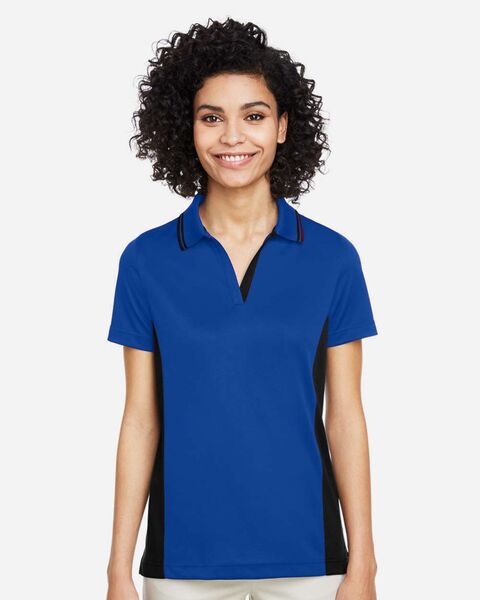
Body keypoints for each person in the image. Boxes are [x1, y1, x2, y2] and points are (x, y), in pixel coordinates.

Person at [106, 17, 379, 600]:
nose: (233, 137)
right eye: (212, 117)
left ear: (282, 127)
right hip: (181, 562)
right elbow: (140, 420)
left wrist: (365, 565)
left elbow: (346, 417)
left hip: (311, 557)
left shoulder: (333, 258)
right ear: (187, 128)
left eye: (253, 116)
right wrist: (117, 572)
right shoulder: (146, 260)